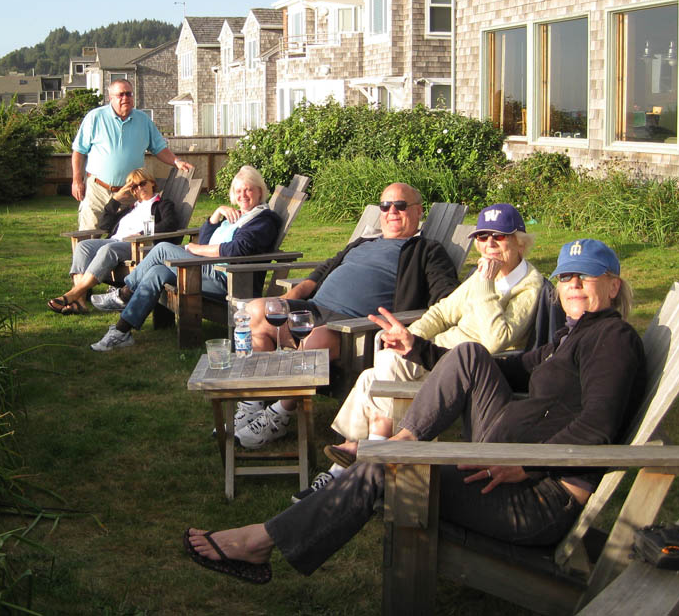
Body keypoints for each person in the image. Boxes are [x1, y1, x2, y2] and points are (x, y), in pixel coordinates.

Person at [184, 239, 646, 586]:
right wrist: (418, 347)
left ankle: (261, 542)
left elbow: (598, 427)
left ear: (613, 284)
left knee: (389, 469)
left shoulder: (613, 339)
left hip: (537, 497)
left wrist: (525, 463)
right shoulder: (573, 336)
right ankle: (400, 442)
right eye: (566, 277)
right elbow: (512, 368)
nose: (574, 286)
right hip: (503, 460)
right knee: (470, 355)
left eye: (586, 277)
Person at [301, 203, 545, 500]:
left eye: (499, 237)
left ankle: (368, 462)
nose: (489, 245)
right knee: (371, 376)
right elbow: (442, 312)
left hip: (471, 370)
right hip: (440, 353)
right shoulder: (481, 276)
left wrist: (485, 287)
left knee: (388, 364)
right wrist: (411, 336)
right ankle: (348, 468)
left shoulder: (529, 287)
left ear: (519, 241)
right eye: (482, 238)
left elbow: (496, 339)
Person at [234, 183, 459, 450]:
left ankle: (280, 414)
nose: (391, 212)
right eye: (385, 206)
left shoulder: (427, 251)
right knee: (256, 311)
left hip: (352, 327)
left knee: (314, 339)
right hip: (314, 308)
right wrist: (286, 298)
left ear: (418, 211)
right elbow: (323, 270)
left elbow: (446, 300)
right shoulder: (363, 242)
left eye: (400, 206)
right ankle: (253, 401)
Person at [88, 165, 280, 352]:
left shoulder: (263, 219)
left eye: (249, 190)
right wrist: (216, 214)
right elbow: (206, 239)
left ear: (260, 191)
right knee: (157, 271)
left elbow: (238, 249)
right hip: (207, 270)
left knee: (162, 249)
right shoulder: (239, 216)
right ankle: (122, 332)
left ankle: (125, 293)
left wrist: (196, 248)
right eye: (238, 190)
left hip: (229, 279)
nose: (243, 195)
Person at [46, 168, 179, 315]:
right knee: (83, 246)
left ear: (152, 183)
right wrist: (116, 199)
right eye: (134, 186)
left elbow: (170, 223)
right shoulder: (131, 208)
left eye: (142, 183)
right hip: (116, 241)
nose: (140, 188)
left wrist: (141, 234)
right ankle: (81, 302)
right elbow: (104, 225)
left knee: (109, 249)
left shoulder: (162, 204)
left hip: (138, 246)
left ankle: (72, 295)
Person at [72, 79, 193, 230]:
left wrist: (176, 161)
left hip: (130, 192)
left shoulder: (143, 120)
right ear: (110, 98)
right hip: (98, 190)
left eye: (129, 94)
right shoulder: (95, 117)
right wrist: (77, 179)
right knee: (88, 236)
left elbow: (159, 148)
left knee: (126, 236)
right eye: (120, 95)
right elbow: (79, 151)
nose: (125, 98)